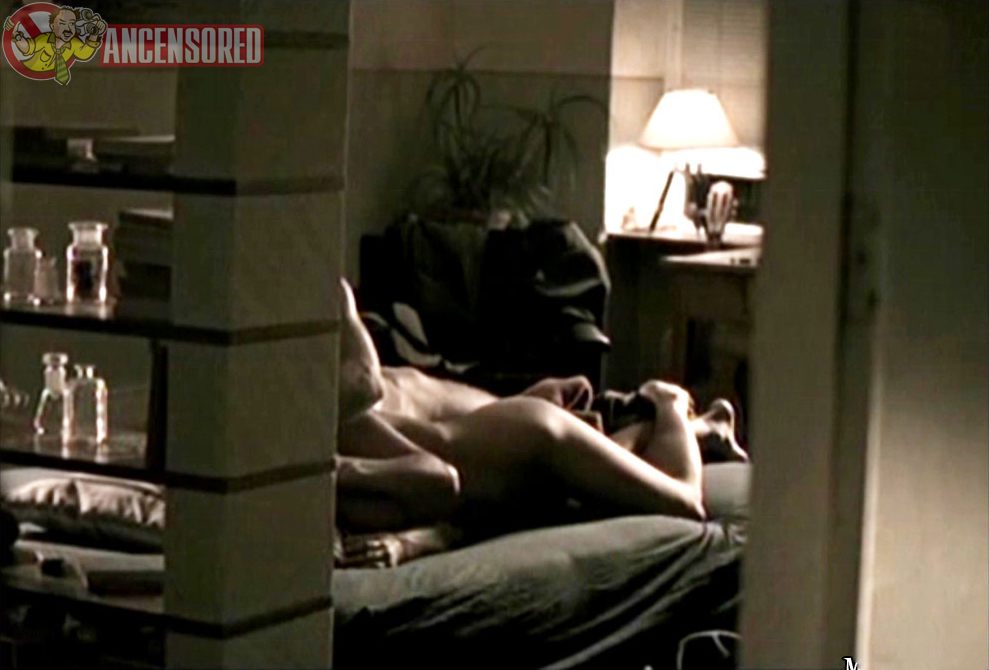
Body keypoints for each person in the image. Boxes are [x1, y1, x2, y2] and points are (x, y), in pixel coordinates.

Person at [335, 281, 745, 565]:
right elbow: (448, 509)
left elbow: (438, 477)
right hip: (499, 446)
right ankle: (708, 427)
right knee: (598, 489)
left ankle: (669, 402)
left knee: (683, 501)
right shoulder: (346, 414)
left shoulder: (340, 423)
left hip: (532, 440)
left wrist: (336, 472)